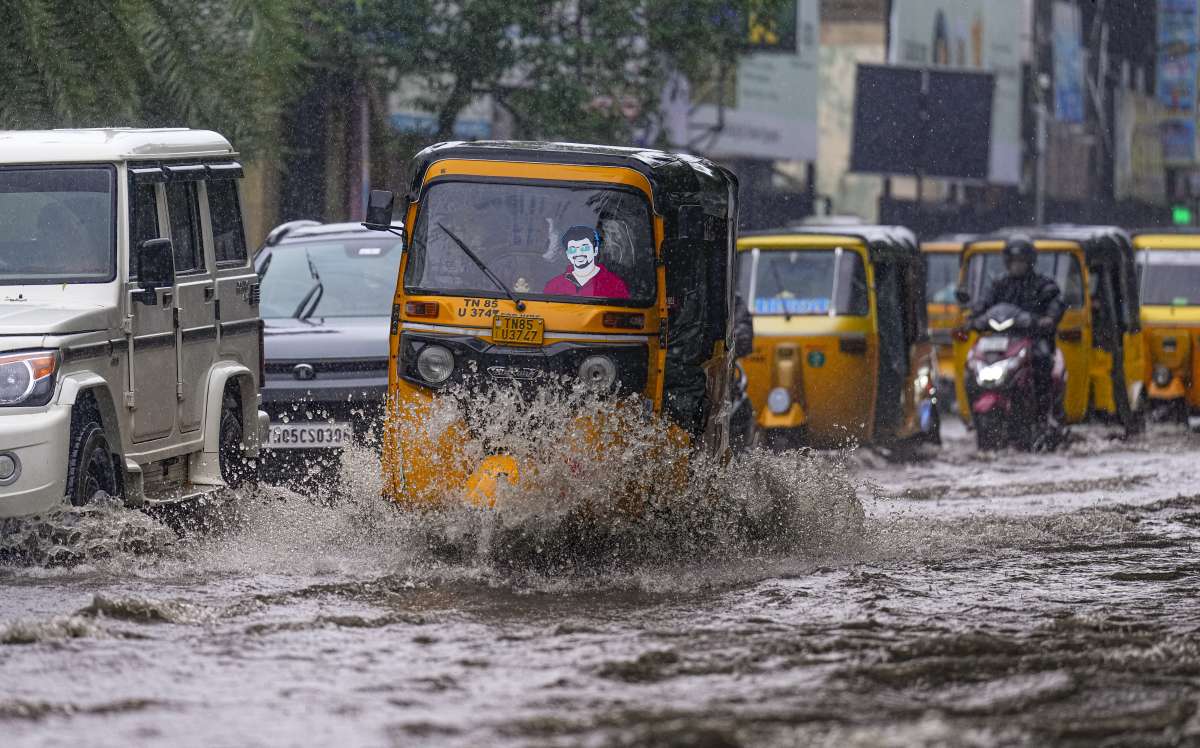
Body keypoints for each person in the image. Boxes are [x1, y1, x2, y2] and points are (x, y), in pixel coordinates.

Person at [968, 233, 1066, 420]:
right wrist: (972, 318)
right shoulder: (998, 284)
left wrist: (1048, 319)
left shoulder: (1043, 284)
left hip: (1032, 339)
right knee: (971, 365)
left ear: (1030, 261)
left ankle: (1043, 414)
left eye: (1021, 260)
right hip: (1001, 342)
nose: (1017, 265)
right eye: (1013, 261)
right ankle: (971, 410)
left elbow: (1055, 302)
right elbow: (982, 304)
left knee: (1043, 359)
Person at [542, 226, 630, 299]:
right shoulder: (554, 285)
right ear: (568, 254)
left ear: (595, 250)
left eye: (584, 248)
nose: (578, 253)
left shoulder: (614, 285)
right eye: (573, 249)